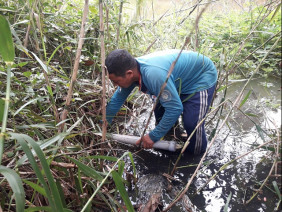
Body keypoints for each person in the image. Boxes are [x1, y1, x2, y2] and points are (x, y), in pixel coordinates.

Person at [105, 49, 217, 155]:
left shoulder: (154, 75)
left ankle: (196, 156)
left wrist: (153, 136)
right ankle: (172, 134)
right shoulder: (132, 71)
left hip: (199, 78)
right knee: (159, 110)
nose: (115, 85)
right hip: (174, 79)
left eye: (116, 81)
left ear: (129, 74)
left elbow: (175, 109)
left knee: (191, 123)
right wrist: (104, 122)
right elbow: (117, 99)